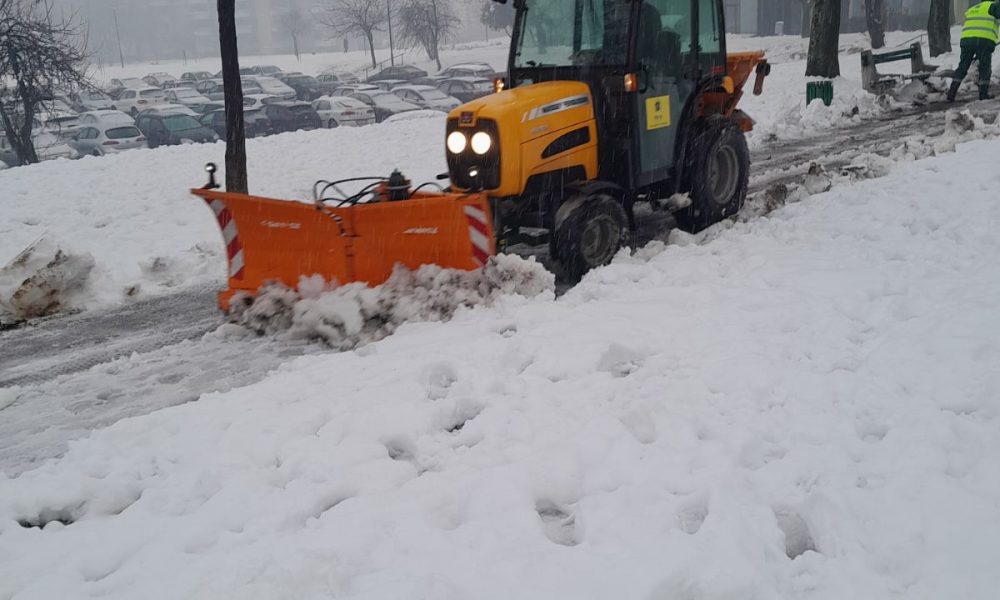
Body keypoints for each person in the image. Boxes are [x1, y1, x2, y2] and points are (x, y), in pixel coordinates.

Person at [947, 0, 1000, 102]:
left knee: (963, 66)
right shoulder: (993, 6)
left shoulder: (974, 8)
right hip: (983, 40)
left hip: (966, 40)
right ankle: (983, 95)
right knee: (985, 67)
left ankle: (951, 94)